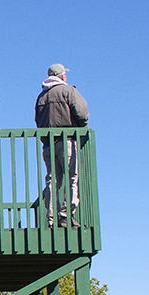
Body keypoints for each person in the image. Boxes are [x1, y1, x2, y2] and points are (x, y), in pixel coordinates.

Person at [34, 63, 89, 228]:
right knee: (72, 177)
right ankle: (65, 215)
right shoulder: (69, 91)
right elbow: (82, 113)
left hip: (48, 144)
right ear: (62, 76)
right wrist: (81, 130)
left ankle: (51, 219)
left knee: (52, 180)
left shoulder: (41, 97)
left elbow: (37, 120)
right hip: (67, 140)